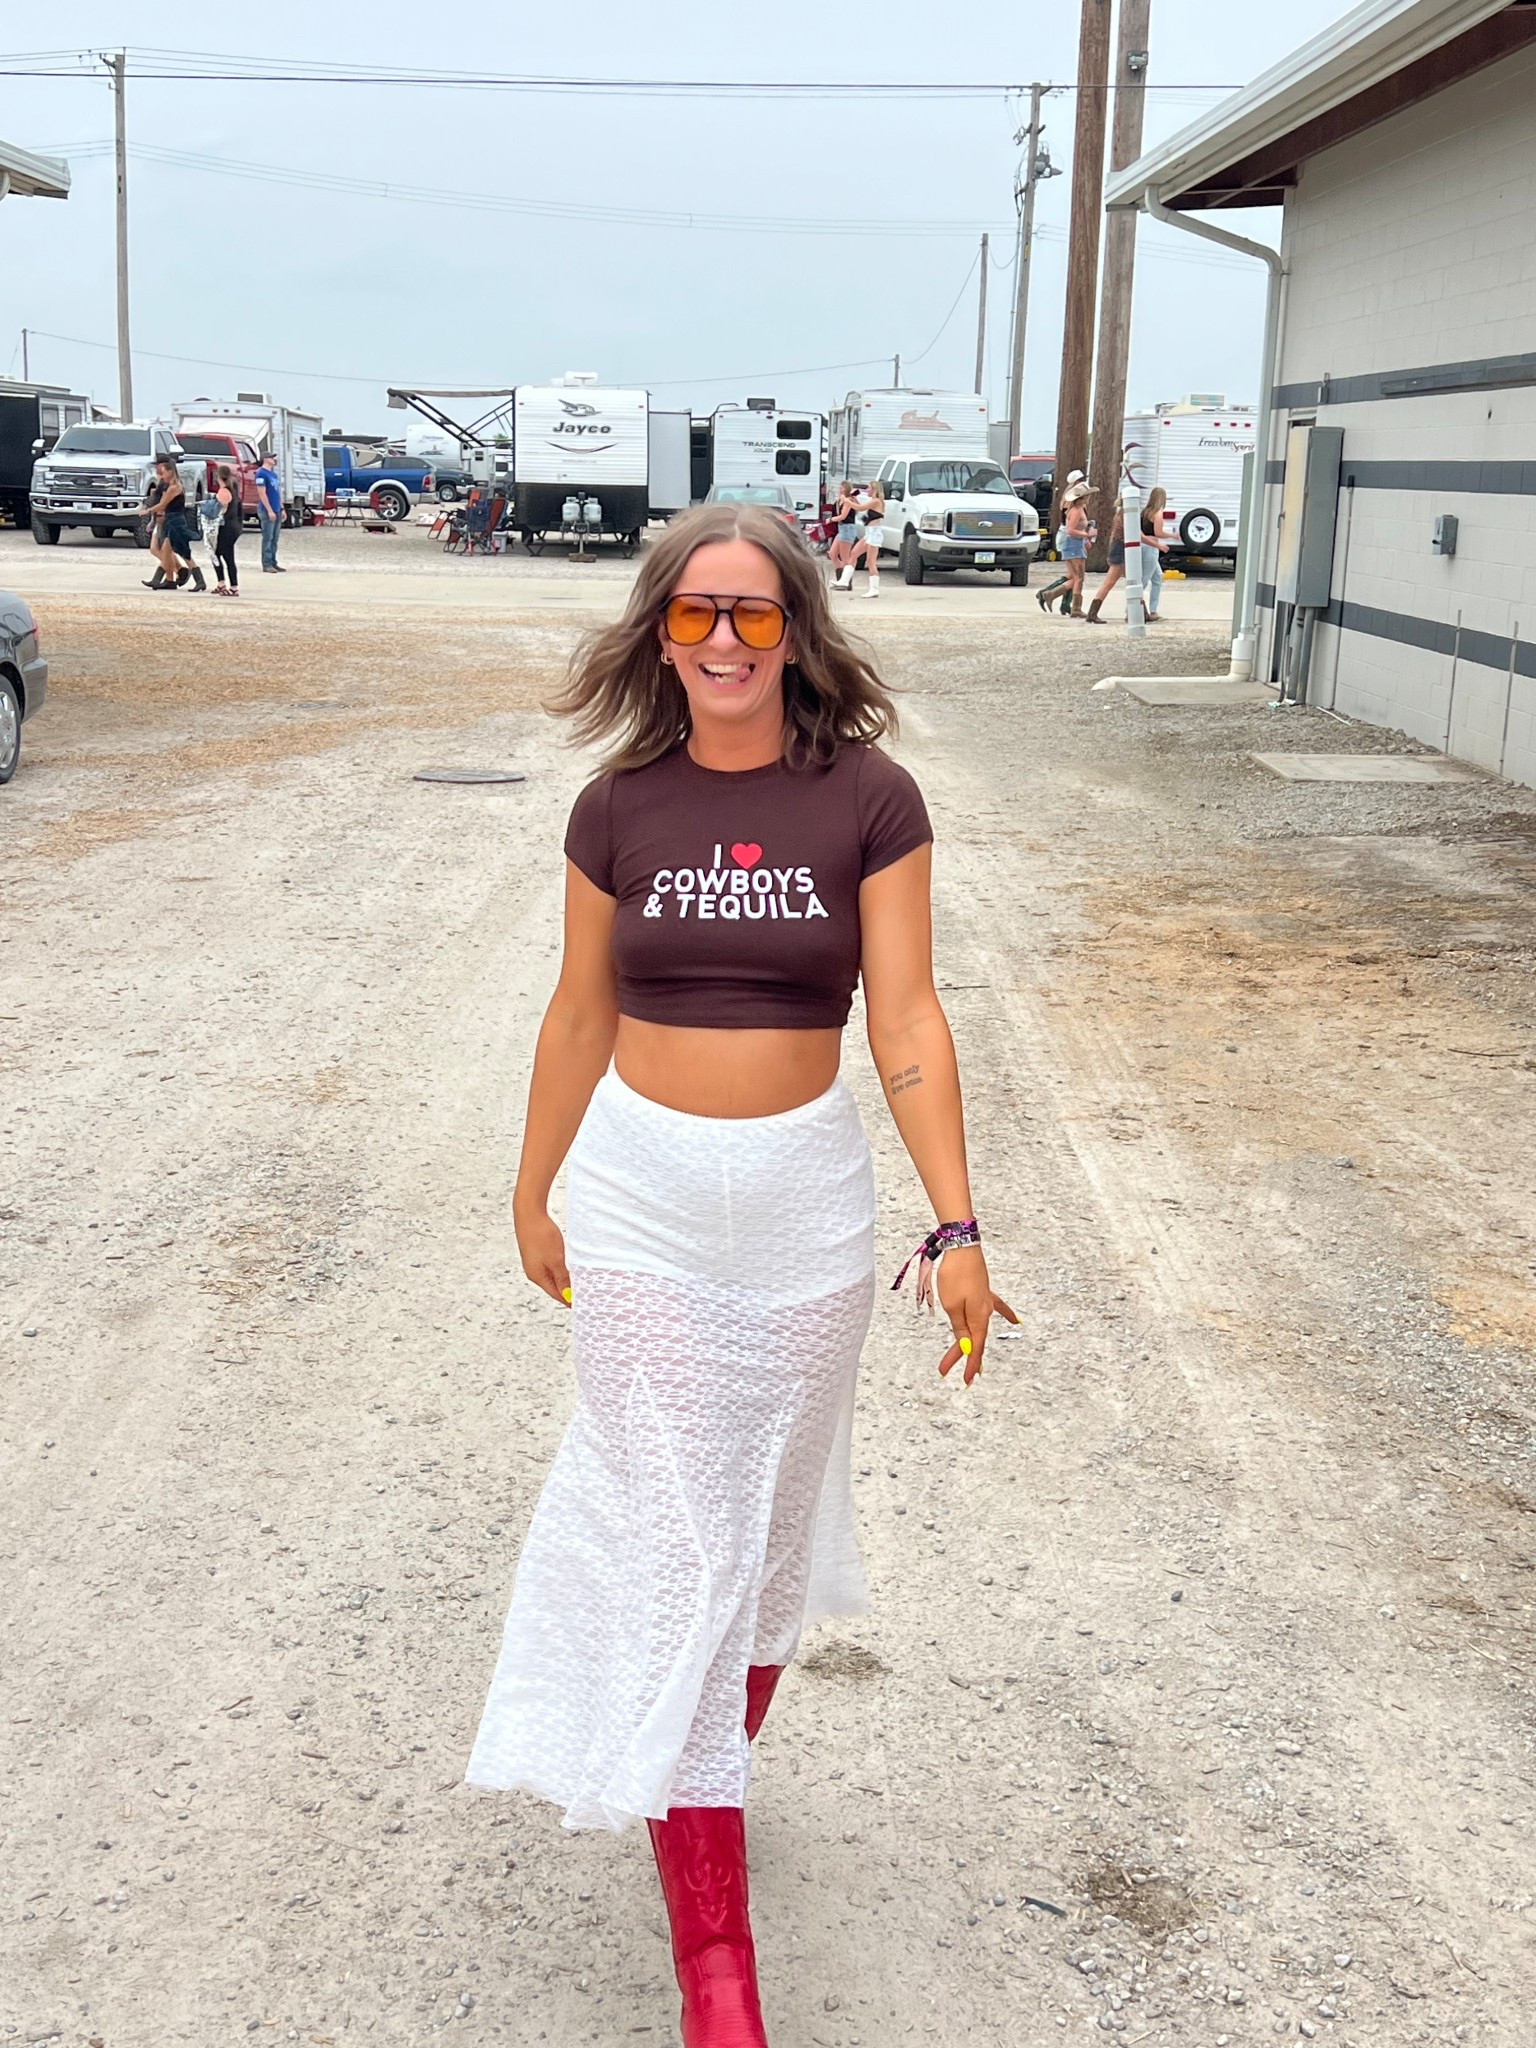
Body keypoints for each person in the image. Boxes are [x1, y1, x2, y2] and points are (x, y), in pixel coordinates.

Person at [466, 502, 1015, 2047]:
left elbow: (905, 1020)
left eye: (754, 615)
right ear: (660, 633)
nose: (722, 641)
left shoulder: (870, 799)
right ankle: (720, 1973)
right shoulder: (616, 807)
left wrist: (958, 1226)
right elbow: (577, 1014)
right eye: (696, 614)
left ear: (797, 632)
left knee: (764, 1550)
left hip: (804, 1216)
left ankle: (692, 1768)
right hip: (641, 1203)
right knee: (682, 1547)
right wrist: (534, 1188)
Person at [145, 457, 205, 592]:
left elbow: (163, 504)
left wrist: (148, 511)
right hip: (171, 521)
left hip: (175, 521)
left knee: (182, 551)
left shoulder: (175, 487)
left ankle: (197, 579)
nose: (162, 473)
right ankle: (168, 580)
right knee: (169, 551)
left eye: (164, 471)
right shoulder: (168, 484)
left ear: (170, 471)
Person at [1036, 477, 1092, 617]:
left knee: (1074, 576)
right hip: (1073, 544)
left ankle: (1062, 601)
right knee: (1079, 578)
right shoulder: (1076, 511)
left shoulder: (1075, 509)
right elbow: (1070, 530)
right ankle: (1056, 596)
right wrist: (1085, 534)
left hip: (1074, 544)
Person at [851, 480, 885, 598]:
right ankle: (844, 580)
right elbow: (862, 509)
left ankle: (874, 589)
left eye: (869, 488)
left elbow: (860, 508)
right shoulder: (873, 501)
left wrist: (846, 501)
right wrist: (853, 499)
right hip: (869, 532)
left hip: (874, 533)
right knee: (854, 553)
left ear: (874, 489)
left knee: (871, 561)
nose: (867, 490)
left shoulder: (876, 501)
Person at [212, 464, 242, 597]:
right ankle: (227, 584)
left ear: (218, 476)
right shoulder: (233, 490)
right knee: (226, 555)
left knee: (219, 555)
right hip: (234, 526)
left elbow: (221, 511)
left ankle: (226, 585)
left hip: (226, 527)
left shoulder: (223, 492)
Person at [1141, 486, 1168, 621]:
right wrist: (1172, 535)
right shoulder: (1158, 513)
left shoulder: (1144, 512)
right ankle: (1133, 608)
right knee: (1144, 580)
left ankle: (1153, 609)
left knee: (1158, 577)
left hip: (1143, 545)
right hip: (1151, 547)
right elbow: (1158, 533)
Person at [254, 451, 284, 572]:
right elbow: (262, 493)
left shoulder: (273, 474)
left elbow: (277, 493)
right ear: (265, 459)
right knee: (268, 537)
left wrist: (281, 508)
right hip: (267, 509)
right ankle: (266, 563)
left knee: (275, 538)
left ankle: (273, 561)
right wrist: (269, 510)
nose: (274, 460)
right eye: (272, 457)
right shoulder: (261, 473)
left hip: (276, 508)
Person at [829, 480, 862, 589]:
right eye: (840, 487)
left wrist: (830, 520)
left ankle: (846, 582)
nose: (840, 489)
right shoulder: (840, 500)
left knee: (845, 557)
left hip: (847, 528)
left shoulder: (849, 500)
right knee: (833, 553)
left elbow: (843, 516)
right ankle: (841, 579)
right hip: (841, 528)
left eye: (842, 488)